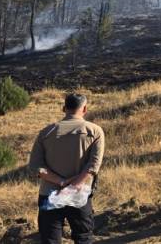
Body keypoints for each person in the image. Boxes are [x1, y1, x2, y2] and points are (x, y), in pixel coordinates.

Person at [28, 93, 104, 244]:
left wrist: (62, 182)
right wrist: (74, 185)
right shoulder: (95, 131)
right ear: (85, 109)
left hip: (49, 194)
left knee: (50, 239)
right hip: (79, 195)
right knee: (83, 238)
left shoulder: (45, 132)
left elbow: (36, 167)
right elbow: (93, 165)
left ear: (64, 108)